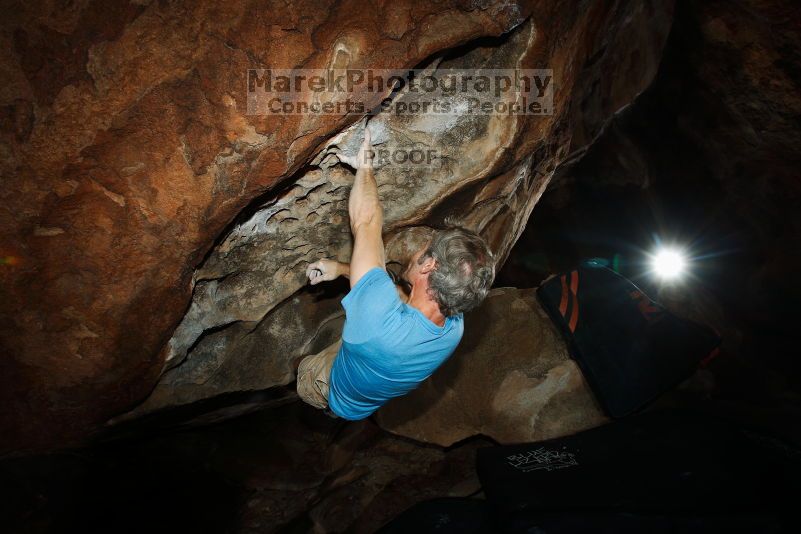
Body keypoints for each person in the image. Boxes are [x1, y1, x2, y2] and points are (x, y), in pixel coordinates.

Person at [295, 124, 495, 420]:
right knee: (391, 295)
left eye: (425, 247)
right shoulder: (454, 327)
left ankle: (301, 379)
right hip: (367, 393)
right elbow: (382, 292)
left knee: (301, 368)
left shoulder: (376, 321)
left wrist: (363, 163)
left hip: (329, 387)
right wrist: (338, 269)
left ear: (428, 266)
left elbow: (366, 221)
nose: (417, 250)